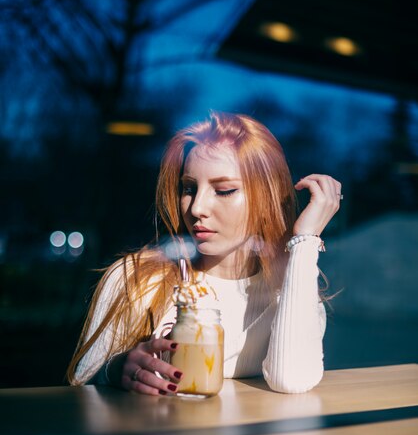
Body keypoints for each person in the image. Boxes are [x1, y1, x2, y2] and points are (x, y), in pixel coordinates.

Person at [67, 110, 342, 394]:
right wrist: (116, 370)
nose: (196, 208)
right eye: (188, 188)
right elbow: (79, 383)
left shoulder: (294, 290)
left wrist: (306, 242)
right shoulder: (138, 279)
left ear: (267, 198)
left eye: (223, 190)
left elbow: (291, 379)